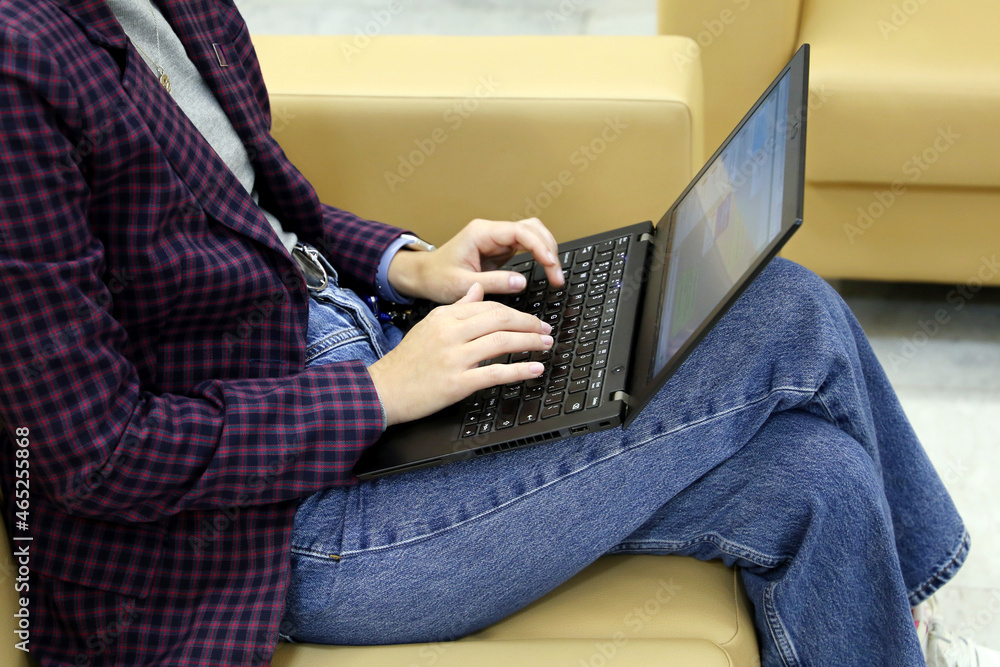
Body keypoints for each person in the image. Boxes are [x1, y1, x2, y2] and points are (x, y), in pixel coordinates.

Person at [0, 1, 995, 665]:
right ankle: (912, 605)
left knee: (818, 475)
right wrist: (383, 392)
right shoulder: (19, 67)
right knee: (784, 311)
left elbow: (260, 209)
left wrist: (409, 263)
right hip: (267, 524)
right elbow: (99, 451)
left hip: (361, 353)